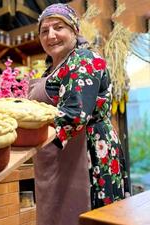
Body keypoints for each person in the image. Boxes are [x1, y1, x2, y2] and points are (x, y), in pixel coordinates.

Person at [28, 4, 130, 225]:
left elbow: (74, 115)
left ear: (74, 30)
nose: (51, 35)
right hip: (58, 156)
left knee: (87, 217)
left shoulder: (84, 59)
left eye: (58, 27)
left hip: (88, 152)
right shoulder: (49, 71)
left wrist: (25, 139)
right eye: (44, 31)